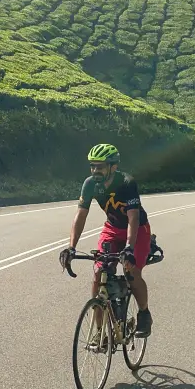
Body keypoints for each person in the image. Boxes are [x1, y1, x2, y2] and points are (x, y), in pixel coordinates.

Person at [60, 143, 153, 344]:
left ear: (113, 166)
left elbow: (133, 218)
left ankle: (144, 314)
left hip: (136, 230)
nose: (95, 171)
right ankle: (100, 331)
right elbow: (81, 215)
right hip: (112, 229)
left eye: (100, 166)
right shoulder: (90, 184)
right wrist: (71, 247)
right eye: (92, 166)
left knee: (132, 271)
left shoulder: (127, 183)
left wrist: (129, 248)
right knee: (98, 272)